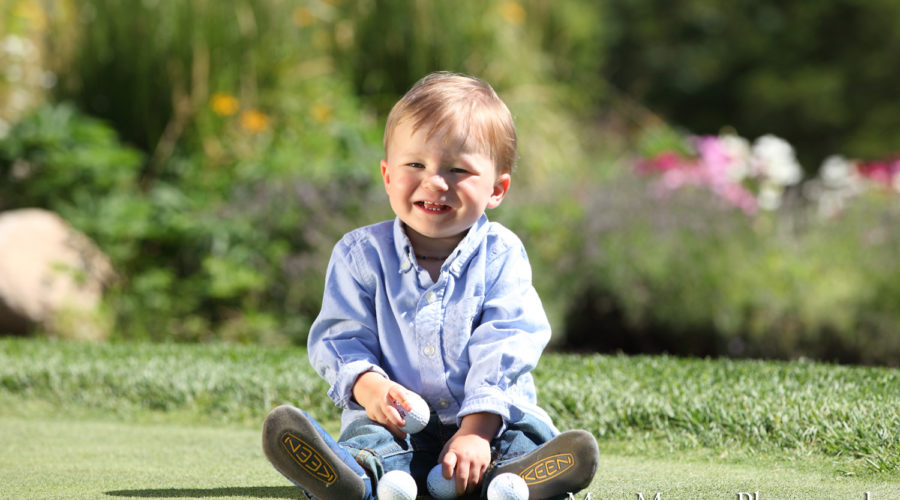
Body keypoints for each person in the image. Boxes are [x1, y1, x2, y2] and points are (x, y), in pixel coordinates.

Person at [262, 71, 598, 500]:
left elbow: (508, 340)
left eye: (458, 170)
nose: (435, 182)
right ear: (387, 175)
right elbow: (341, 338)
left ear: (497, 188)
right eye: (415, 164)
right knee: (373, 441)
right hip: (394, 422)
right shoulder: (359, 255)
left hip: (488, 421)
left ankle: (512, 479)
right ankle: (356, 476)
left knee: (523, 434)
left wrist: (475, 431)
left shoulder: (501, 255)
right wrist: (370, 387)